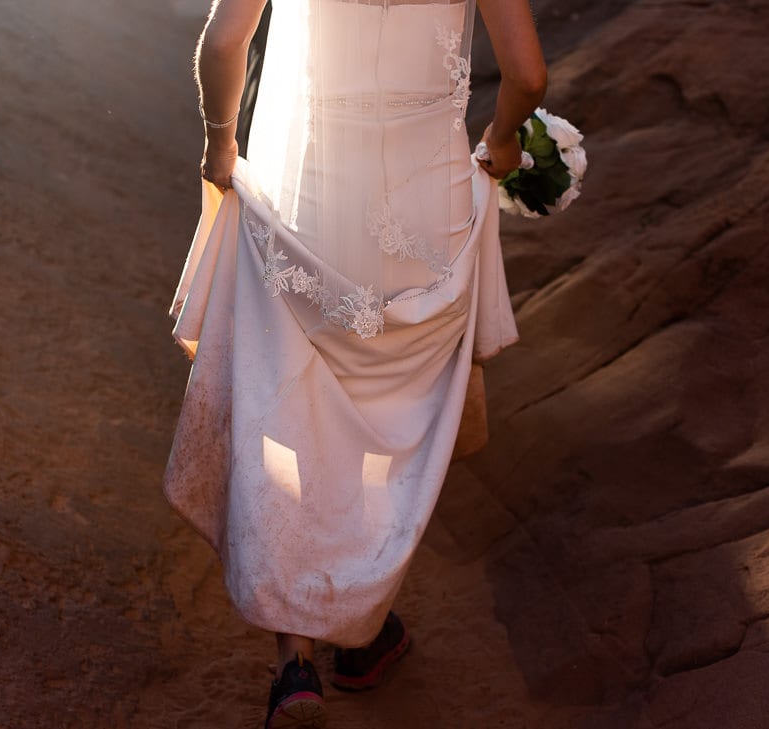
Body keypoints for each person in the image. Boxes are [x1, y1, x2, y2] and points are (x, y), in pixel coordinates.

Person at [163, 1, 546, 726]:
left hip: (311, 200)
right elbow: (527, 74)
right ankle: (363, 628)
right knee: (389, 413)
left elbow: (224, 44)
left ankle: (296, 658)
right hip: (424, 219)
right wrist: (498, 145)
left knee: (290, 404)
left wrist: (219, 145)